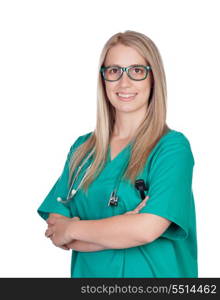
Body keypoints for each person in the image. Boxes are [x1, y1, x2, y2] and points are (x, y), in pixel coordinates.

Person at [37, 30, 198, 278]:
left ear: (153, 78)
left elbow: (146, 230)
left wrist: (75, 228)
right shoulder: (83, 150)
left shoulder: (171, 149)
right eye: (114, 71)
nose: (124, 83)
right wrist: (122, 226)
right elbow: (57, 231)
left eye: (136, 71)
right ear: (103, 79)